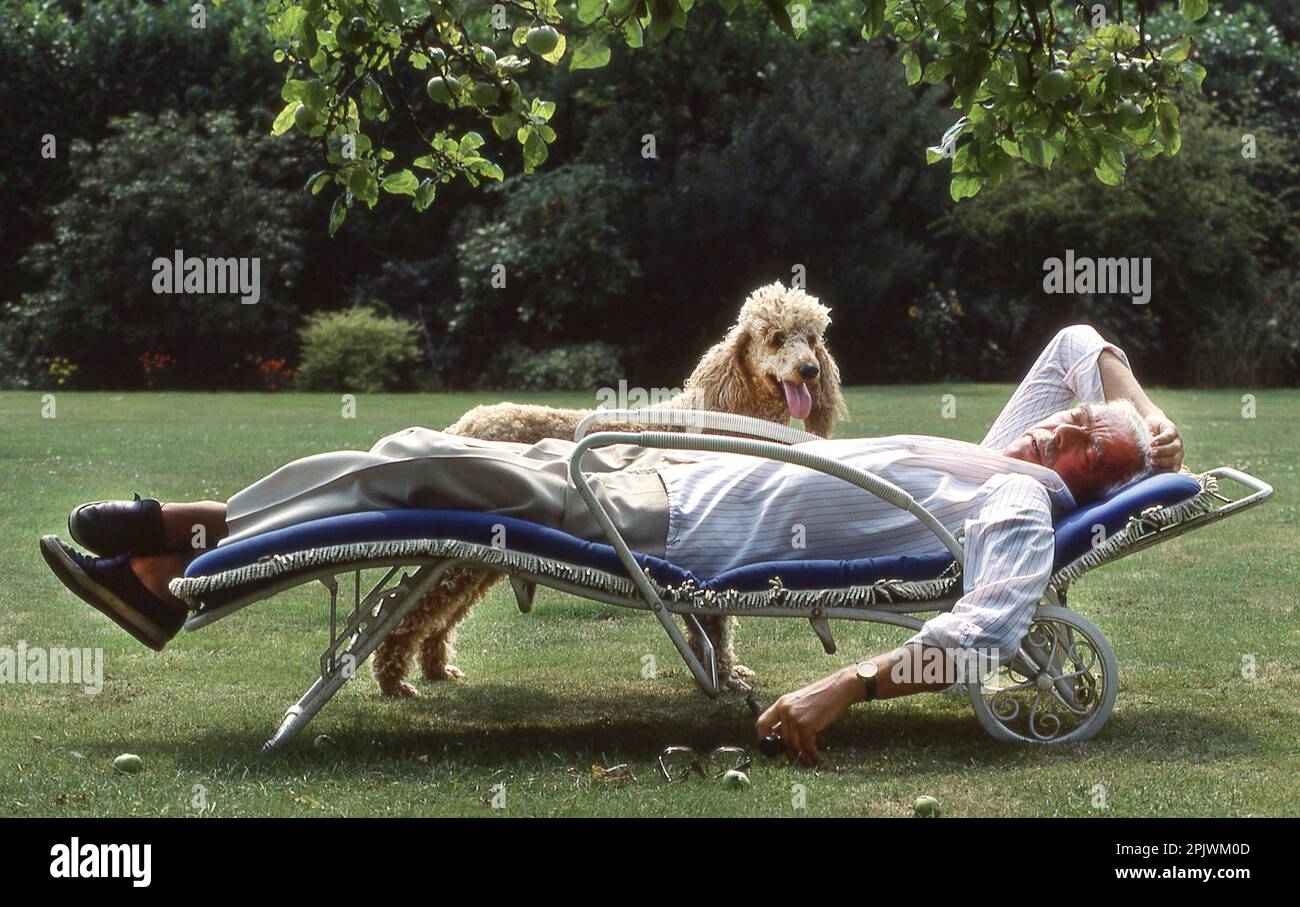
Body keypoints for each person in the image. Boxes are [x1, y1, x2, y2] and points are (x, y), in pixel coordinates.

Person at [41, 324, 1183, 744]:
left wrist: (853, 687)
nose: (1060, 427)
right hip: (657, 475)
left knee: (428, 466)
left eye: (1081, 437)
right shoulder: (1012, 447)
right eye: (1072, 419)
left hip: (666, 519)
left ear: (1082, 478)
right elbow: (1079, 339)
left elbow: (985, 628)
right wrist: (1139, 407)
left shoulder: (1015, 505)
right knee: (415, 454)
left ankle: (188, 554)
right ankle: (187, 547)